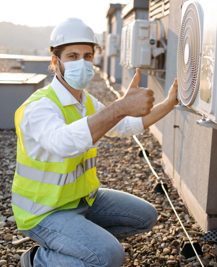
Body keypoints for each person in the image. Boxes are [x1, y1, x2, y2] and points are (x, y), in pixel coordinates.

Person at [12, 18, 178, 267]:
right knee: (109, 256)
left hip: (83, 200)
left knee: (145, 216)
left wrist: (169, 104)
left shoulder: (87, 102)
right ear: (56, 61)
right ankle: (39, 260)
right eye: (72, 55)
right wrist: (120, 106)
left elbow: (125, 126)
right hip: (44, 211)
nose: (82, 62)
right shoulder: (39, 107)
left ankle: (79, 243)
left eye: (87, 55)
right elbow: (64, 143)